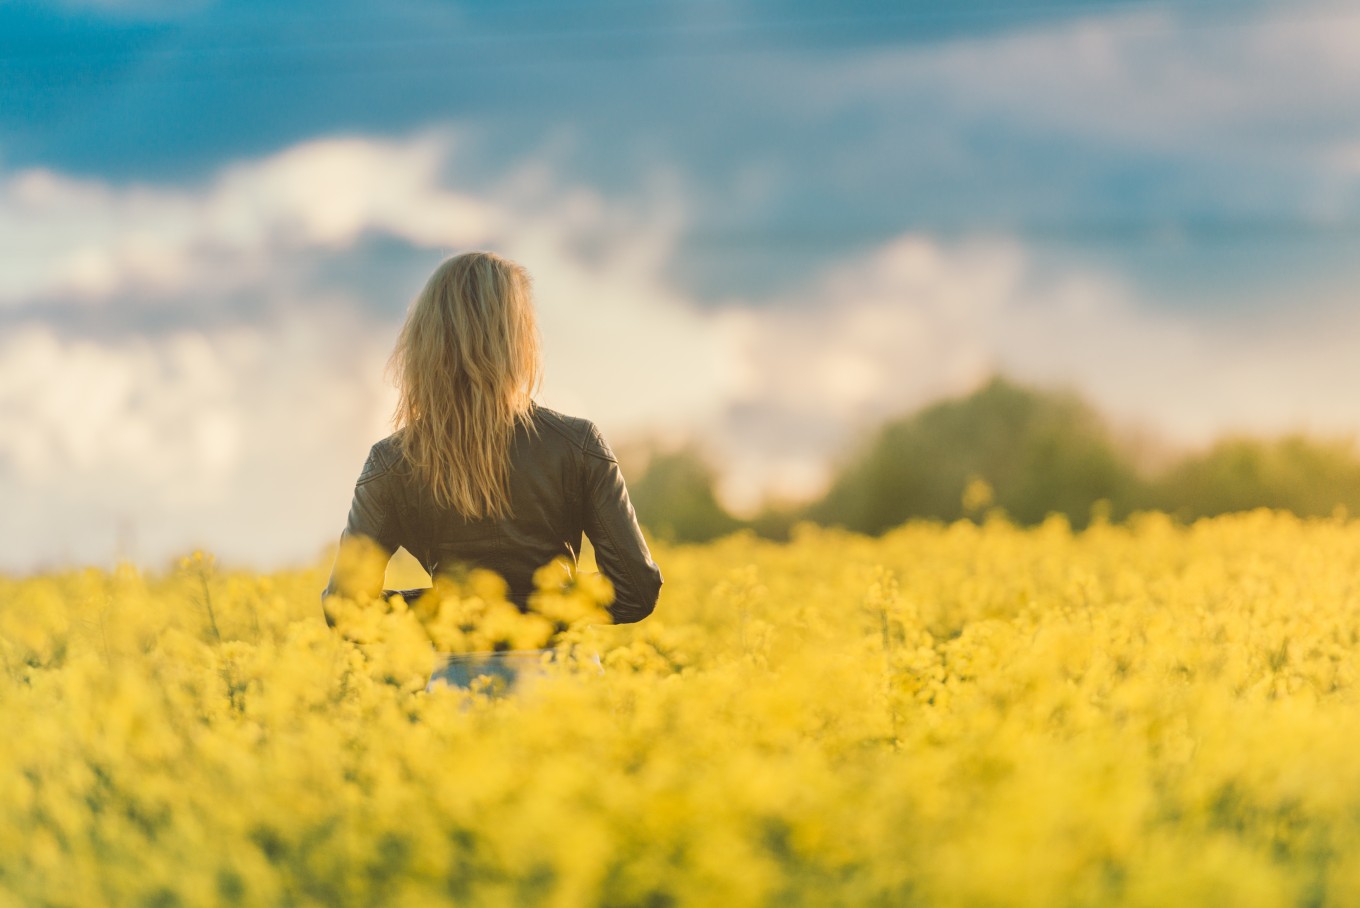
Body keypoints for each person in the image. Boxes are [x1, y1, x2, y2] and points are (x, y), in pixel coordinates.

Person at [321, 251, 662, 684]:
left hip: (459, 686)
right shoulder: (576, 443)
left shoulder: (392, 462)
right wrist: (544, 606)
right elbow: (636, 591)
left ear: (426, 339)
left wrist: (454, 608)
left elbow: (346, 609)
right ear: (518, 339)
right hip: (567, 683)